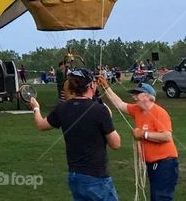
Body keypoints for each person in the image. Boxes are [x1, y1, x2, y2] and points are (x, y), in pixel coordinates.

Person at [30, 68, 121, 201]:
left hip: (75, 177)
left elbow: (41, 125)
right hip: (96, 177)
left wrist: (36, 108)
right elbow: (116, 143)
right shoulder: (100, 110)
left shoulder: (62, 109)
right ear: (91, 85)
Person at [99, 78, 178, 201]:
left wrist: (143, 134)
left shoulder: (159, 113)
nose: (134, 97)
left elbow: (167, 136)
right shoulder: (137, 110)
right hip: (153, 163)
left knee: (160, 197)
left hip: (165, 163)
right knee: (156, 196)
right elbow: (119, 104)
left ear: (148, 96)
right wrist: (106, 87)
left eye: (137, 94)